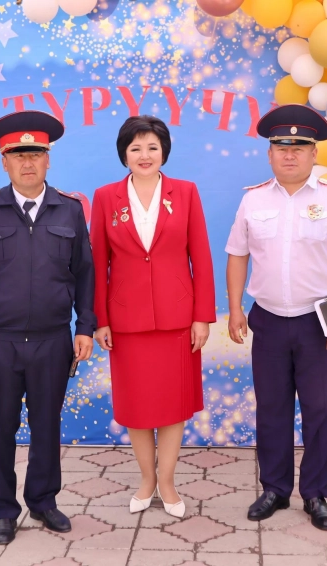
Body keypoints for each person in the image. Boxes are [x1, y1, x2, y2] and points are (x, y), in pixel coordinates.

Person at [225, 105, 327, 531]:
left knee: (320, 410)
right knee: (271, 408)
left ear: (313, 153)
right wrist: (234, 307)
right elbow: (237, 255)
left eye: (299, 147)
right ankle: (274, 488)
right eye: (281, 147)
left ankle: (316, 493)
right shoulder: (253, 199)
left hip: (319, 324)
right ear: (270, 153)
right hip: (268, 320)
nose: (290, 154)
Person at [0, 111, 96, 545]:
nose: (28, 162)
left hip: (53, 340)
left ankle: (43, 501)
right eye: (18, 154)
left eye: (35, 153)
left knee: (46, 426)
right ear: (4, 162)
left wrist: (85, 326)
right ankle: (2, 510)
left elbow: (85, 274)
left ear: (48, 159)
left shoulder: (70, 210)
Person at [91, 116, 216, 519]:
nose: (144, 155)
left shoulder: (186, 192)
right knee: (138, 407)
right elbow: (98, 263)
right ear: (124, 154)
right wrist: (100, 319)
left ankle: (168, 481)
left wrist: (202, 316)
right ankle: (146, 480)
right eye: (135, 148)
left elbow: (201, 256)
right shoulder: (106, 197)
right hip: (126, 322)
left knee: (173, 405)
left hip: (178, 319)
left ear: (164, 152)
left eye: (152, 147)